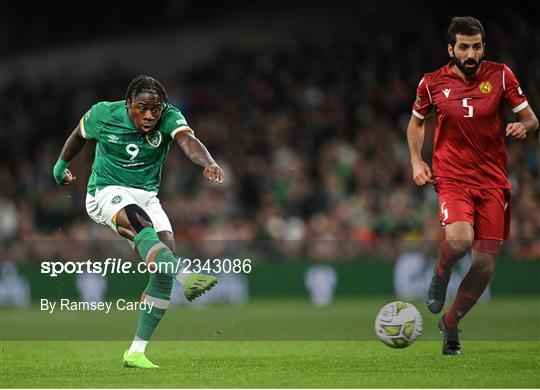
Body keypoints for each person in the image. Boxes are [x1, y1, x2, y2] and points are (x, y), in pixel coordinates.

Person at [53, 75, 224, 368]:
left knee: (162, 267)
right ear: (128, 103)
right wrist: (60, 167)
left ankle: (135, 352)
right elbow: (78, 137)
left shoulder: (169, 117)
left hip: (147, 197)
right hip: (106, 192)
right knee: (144, 230)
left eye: (155, 110)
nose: (149, 115)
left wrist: (208, 162)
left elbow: (188, 141)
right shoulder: (104, 114)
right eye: (142, 108)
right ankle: (186, 276)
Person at [406, 17, 538, 355]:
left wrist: (525, 127)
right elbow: (416, 124)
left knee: (484, 265)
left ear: (483, 47)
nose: (470, 53)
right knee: (460, 239)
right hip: (452, 177)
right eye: (464, 46)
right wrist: (417, 161)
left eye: (476, 46)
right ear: (451, 49)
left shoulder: (501, 75)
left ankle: (450, 324)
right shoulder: (431, 83)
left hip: (493, 181)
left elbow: (530, 118)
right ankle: (441, 271)